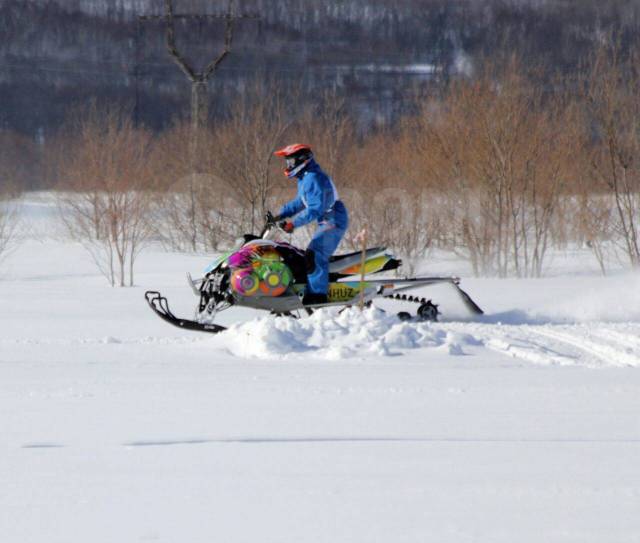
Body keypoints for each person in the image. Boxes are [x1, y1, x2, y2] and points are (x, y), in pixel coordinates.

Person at [273, 143, 349, 306]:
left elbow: (314, 209)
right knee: (303, 255)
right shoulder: (305, 177)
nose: (288, 166)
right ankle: (310, 287)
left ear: (303, 160)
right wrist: (280, 214)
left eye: (291, 162)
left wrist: (293, 223)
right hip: (327, 219)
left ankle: (318, 297)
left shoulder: (313, 178)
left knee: (315, 254)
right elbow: (300, 202)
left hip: (334, 218)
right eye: (287, 163)